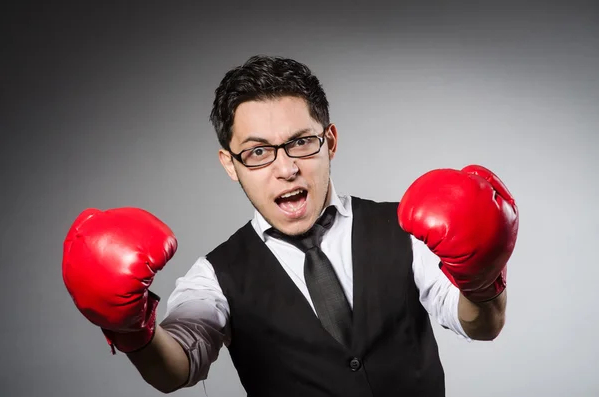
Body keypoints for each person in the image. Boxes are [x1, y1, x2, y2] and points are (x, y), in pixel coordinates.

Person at [62, 55, 519, 396]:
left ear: (330, 141)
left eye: (301, 142)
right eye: (258, 151)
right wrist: (131, 329)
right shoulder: (215, 275)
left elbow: (481, 325)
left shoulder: (406, 228)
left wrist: (484, 282)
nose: (285, 169)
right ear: (230, 164)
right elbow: (175, 366)